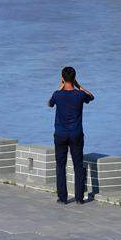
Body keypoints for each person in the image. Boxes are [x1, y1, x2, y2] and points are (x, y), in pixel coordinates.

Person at [48, 66, 95, 204]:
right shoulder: (79, 95)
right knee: (78, 165)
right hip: (76, 134)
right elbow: (91, 97)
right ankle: (79, 198)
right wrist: (79, 86)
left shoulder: (57, 94)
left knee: (60, 166)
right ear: (74, 79)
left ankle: (63, 198)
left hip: (61, 135)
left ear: (62, 78)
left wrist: (59, 87)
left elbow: (50, 104)